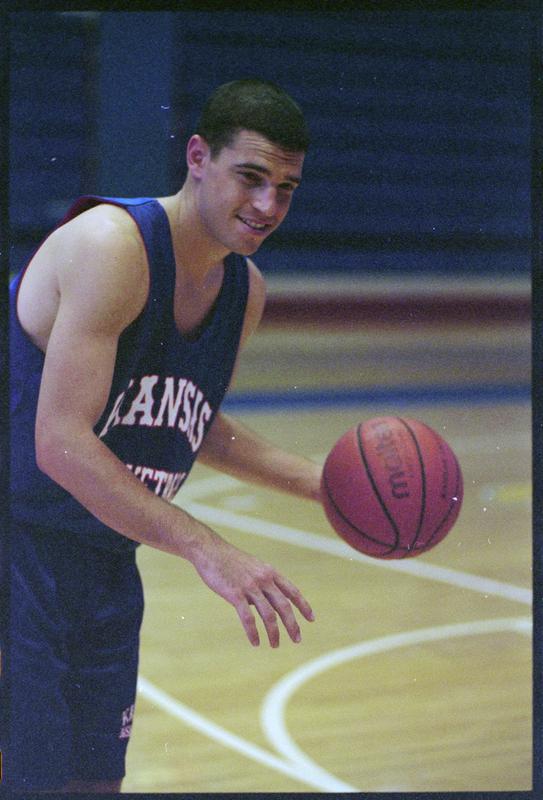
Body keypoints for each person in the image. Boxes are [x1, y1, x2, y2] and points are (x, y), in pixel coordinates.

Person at [5, 78, 322, 793]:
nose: (267, 205)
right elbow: (60, 442)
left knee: (93, 782)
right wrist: (207, 547)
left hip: (104, 557)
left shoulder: (244, 290)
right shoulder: (111, 246)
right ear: (198, 157)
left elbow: (187, 419)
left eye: (286, 188)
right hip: (15, 547)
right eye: (251, 177)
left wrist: (321, 484)